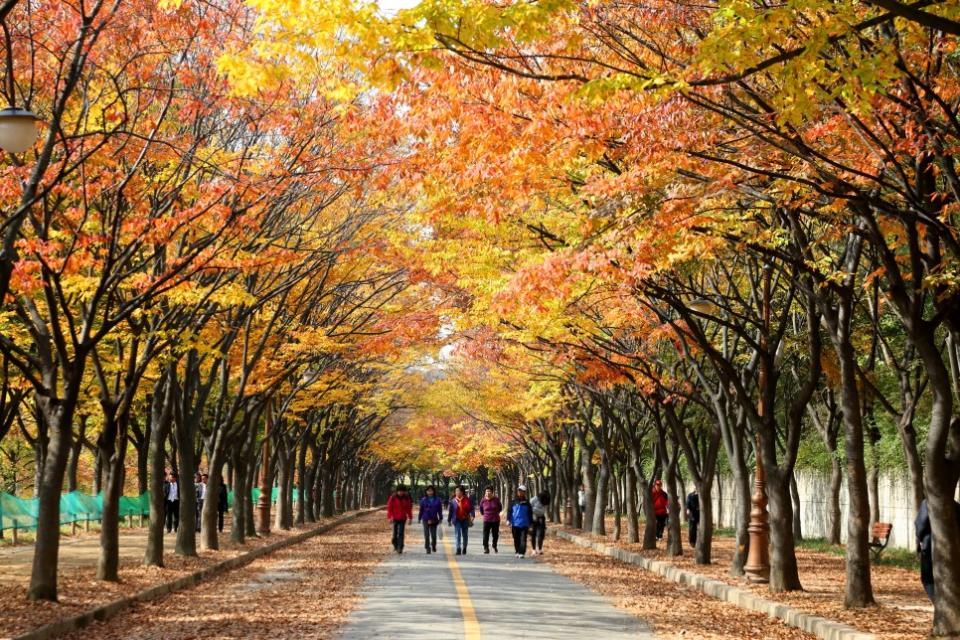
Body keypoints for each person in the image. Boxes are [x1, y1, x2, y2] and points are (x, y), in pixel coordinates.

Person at [915, 497, 960, 602]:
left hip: (930, 544)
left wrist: (919, 538)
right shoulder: (956, 506)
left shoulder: (928, 503)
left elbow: (920, 524)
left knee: (927, 578)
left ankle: (938, 603)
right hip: (952, 547)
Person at [447, 485, 474, 555]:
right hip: (457, 520)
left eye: (458, 491)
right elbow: (450, 511)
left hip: (465, 519)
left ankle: (464, 547)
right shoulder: (453, 501)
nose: (457, 492)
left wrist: (472, 515)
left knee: (465, 534)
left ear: (462, 492)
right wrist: (449, 520)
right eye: (456, 491)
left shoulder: (467, 499)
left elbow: (471, 508)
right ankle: (458, 548)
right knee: (457, 533)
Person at [508, 485, 533, 558]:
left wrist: (531, 523)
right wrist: (508, 520)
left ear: (524, 493)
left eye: (522, 491)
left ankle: (522, 552)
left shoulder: (527, 503)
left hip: (524, 524)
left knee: (523, 538)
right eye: (519, 491)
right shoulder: (513, 502)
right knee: (516, 538)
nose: (520, 492)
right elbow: (509, 512)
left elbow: (530, 513)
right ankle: (517, 551)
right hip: (515, 524)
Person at [386, 484, 413, 553]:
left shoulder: (407, 498)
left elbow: (408, 508)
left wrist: (410, 518)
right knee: (395, 533)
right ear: (397, 491)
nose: (401, 493)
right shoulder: (392, 498)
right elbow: (389, 508)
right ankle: (395, 544)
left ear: (404, 492)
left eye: (402, 491)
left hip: (403, 518)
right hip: (394, 518)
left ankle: (400, 547)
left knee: (401, 532)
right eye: (399, 491)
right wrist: (390, 517)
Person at [418, 485, 443, 554]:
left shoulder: (438, 499)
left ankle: (433, 545)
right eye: (428, 491)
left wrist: (440, 517)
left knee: (433, 535)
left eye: (431, 491)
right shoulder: (423, 500)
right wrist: (419, 518)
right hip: (425, 519)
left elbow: (440, 510)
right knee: (426, 534)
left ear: (433, 491)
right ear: (426, 492)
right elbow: (421, 510)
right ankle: (427, 547)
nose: (430, 492)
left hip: (434, 519)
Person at [479, 486, 503, 554]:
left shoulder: (496, 499)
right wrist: (486, 514)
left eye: (489, 491)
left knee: (495, 534)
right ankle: (486, 548)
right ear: (485, 492)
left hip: (495, 520)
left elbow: (500, 508)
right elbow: (481, 510)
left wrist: (495, 513)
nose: (488, 493)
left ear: (492, 492)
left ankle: (494, 545)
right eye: (486, 491)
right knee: (485, 534)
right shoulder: (483, 500)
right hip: (486, 520)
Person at [530, 490, 551, 555]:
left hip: (541, 518)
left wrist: (535, 509)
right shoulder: (534, 499)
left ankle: (540, 549)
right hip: (533, 518)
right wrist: (535, 510)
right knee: (533, 534)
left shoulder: (546, 501)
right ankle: (533, 549)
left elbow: (542, 511)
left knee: (541, 534)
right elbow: (529, 508)